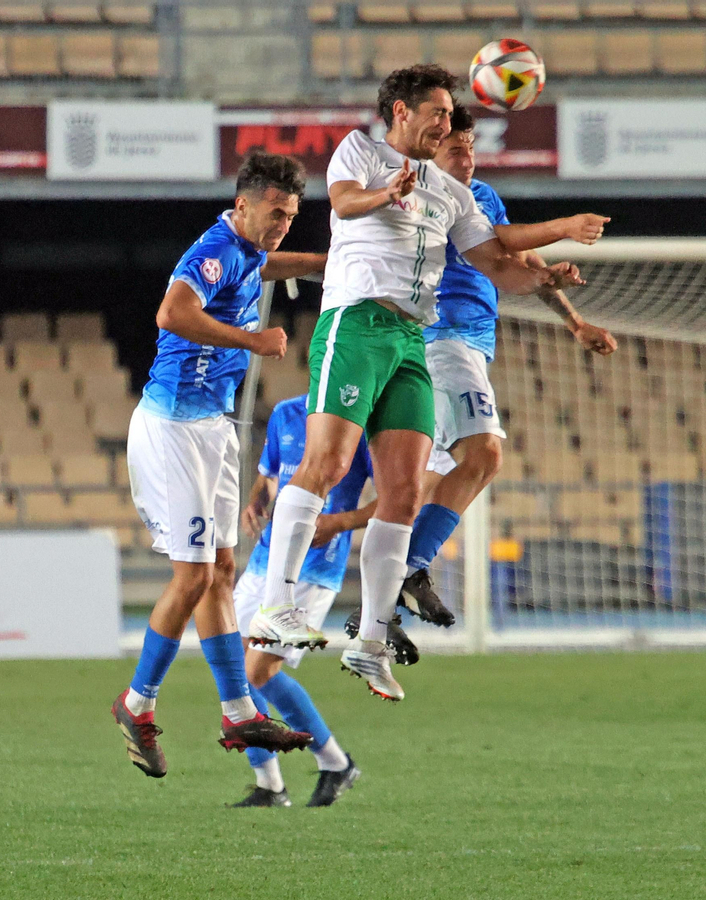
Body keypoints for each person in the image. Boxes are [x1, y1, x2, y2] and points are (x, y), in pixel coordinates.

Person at [247, 64, 585, 702]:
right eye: (436, 111)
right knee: (326, 461)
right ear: (400, 112)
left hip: (410, 339)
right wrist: (389, 192)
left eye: (450, 114)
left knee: (403, 493)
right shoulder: (362, 150)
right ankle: (274, 607)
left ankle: (370, 641)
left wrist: (554, 258)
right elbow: (345, 202)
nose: (446, 122)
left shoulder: (452, 193)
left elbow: (494, 258)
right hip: (355, 324)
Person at [346, 106, 617, 651]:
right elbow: (501, 245)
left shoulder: (480, 195)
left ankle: (375, 612)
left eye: (471, 147)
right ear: (431, 149)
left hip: (463, 346)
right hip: (443, 339)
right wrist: (565, 227)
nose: (466, 158)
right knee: (485, 457)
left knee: (419, 489)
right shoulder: (425, 194)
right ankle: (407, 573)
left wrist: (572, 317)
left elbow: (518, 254)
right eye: (455, 148)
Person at [113, 152, 329, 779]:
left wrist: (319, 265)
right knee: (193, 576)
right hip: (174, 427)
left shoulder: (248, 250)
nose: (282, 224)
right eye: (274, 213)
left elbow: (264, 263)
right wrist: (255, 340)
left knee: (223, 570)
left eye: (290, 216)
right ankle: (137, 704)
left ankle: (238, 711)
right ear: (243, 205)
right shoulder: (212, 250)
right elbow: (172, 313)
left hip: (212, 428)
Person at [231, 394, 370, 808]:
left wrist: (341, 522)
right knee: (234, 667)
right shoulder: (285, 413)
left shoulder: (362, 424)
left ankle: (325, 766)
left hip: (315, 568)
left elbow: (401, 499)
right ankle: (279, 781)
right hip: (265, 559)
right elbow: (270, 476)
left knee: (255, 671)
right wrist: (257, 499)